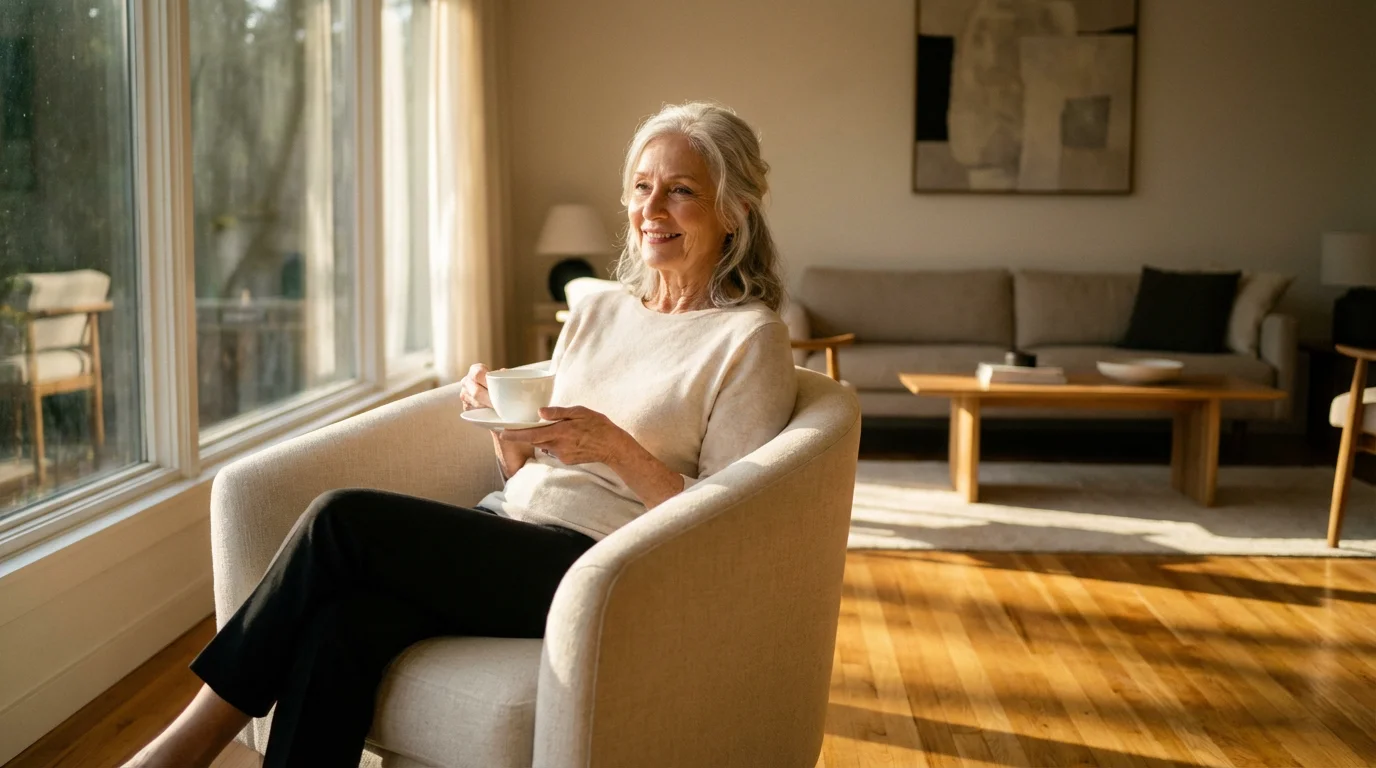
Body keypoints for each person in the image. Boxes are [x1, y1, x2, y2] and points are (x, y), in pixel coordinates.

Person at [122, 100, 797, 768]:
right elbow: (533, 470)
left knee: (341, 520)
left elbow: (726, 532)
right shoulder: (600, 312)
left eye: (680, 192)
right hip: (514, 528)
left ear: (734, 207)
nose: (651, 211)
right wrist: (509, 436)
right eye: (642, 188)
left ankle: (186, 745)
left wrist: (617, 448)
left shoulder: (749, 338)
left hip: (599, 567)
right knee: (341, 628)